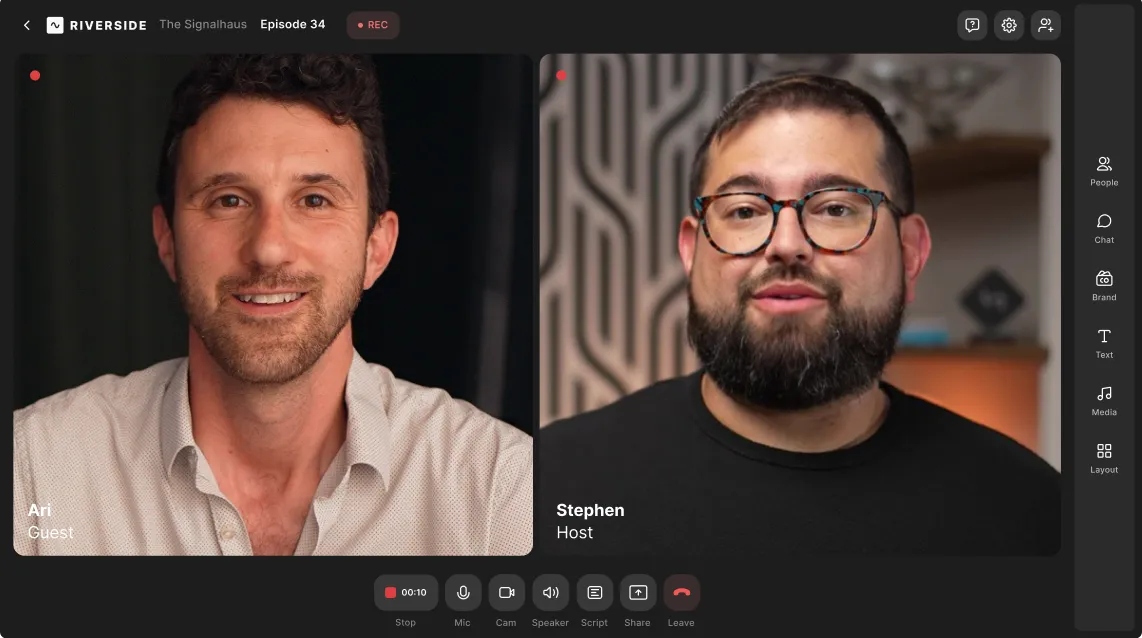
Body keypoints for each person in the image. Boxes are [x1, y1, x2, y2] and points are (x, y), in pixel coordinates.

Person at [13, 54, 532, 556]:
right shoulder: (34, 472)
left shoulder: (497, 492)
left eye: (314, 201)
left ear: (377, 248)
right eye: (229, 200)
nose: (268, 248)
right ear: (167, 240)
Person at [539, 74, 1060, 555]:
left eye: (835, 208)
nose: (786, 245)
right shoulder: (550, 483)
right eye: (744, 210)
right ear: (692, 251)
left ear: (910, 253)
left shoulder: (1033, 511)